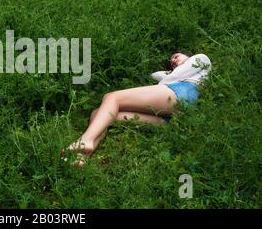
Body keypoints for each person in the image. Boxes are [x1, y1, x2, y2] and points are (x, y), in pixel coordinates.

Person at [63, 51, 212, 167]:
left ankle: (86, 139)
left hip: (182, 92)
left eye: (176, 56)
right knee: (101, 113)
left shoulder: (202, 59)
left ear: (189, 55)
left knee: (112, 98)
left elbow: (172, 76)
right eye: (171, 60)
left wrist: (172, 72)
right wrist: (170, 71)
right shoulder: (173, 75)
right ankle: (82, 156)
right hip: (169, 120)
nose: (173, 60)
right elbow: (155, 75)